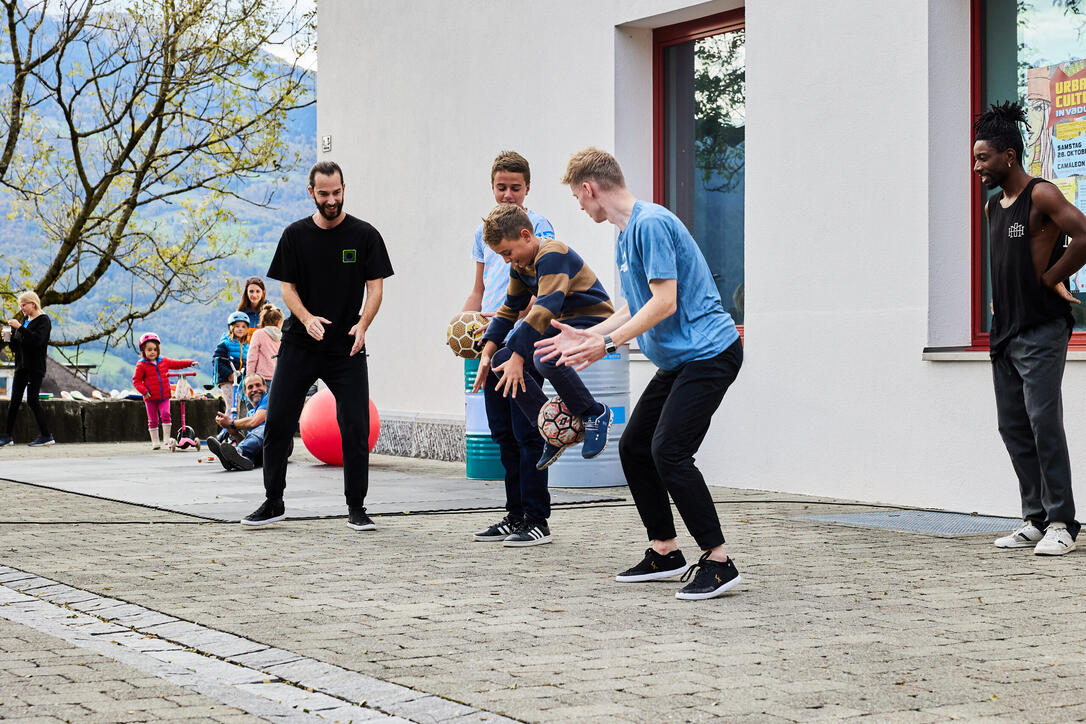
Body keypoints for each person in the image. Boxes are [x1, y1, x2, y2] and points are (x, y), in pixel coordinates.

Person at [536, 148, 743, 600]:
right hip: (679, 361)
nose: (580, 205)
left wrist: (606, 344)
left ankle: (719, 560)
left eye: (577, 197)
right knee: (634, 447)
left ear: (589, 189)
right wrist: (588, 335)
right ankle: (665, 550)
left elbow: (665, 302)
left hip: (710, 354)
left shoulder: (650, 223)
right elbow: (634, 305)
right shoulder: (626, 233)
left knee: (669, 451)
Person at [242, 160, 393, 530]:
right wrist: (307, 318)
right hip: (301, 343)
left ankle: (356, 507)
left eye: (337, 192)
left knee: (355, 425)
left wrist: (363, 324)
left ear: (344, 189)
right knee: (277, 422)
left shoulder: (365, 236)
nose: (331, 200)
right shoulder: (295, 235)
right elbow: (287, 289)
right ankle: (273, 501)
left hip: (346, 346)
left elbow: (375, 287)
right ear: (311, 193)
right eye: (324, 194)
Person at [974, 101, 1086, 556]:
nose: (977, 166)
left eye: (983, 157)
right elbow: (1004, 263)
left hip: (1042, 327)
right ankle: (1035, 519)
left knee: (1043, 421)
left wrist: (1051, 277)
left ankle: (1062, 521)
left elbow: (1083, 235)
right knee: (1013, 425)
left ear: (1009, 157)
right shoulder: (991, 208)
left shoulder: (1041, 195)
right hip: (1006, 331)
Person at [472, 204, 615, 545]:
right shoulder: (521, 266)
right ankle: (552, 428)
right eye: (501, 256)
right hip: (561, 325)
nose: (508, 261)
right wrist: (490, 351)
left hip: (591, 321)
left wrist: (522, 353)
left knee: (544, 356)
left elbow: (547, 304)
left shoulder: (552, 253)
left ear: (525, 235)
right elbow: (509, 309)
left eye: (508, 253)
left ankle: (594, 412)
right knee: (505, 358)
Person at [461, 151, 558, 546]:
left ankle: (538, 519)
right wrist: (466, 327)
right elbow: (480, 289)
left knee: (526, 430)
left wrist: (521, 335)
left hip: (526, 338)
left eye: (515, 188)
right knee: (501, 431)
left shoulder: (539, 228)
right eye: (501, 187)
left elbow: (545, 291)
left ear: (527, 189)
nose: (507, 195)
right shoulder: (483, 233)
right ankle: (514, 514)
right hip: (495, 336)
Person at [0, 291, 54, 447]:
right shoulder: (24, 320)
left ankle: (46, 435)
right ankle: (7, 436)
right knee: (14, 401)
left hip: (35, 367)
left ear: (33, 304)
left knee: (32, 400)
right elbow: (18, 347)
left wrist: (20, 328)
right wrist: (8, 338)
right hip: (21, 367)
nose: (21, 308)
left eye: (24, 305)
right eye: (20, 305)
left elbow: (37, 341)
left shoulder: (44, 321)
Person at [131, 332, 197, 450]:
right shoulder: (141, 365)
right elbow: (136, 380)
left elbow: (177, 364)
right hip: (150, 398)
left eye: (155, 349)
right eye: (149, 350)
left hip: (164, 397)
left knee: (166, 415)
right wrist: (144, 392)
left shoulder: (163, 361)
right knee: (153, 420)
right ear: (143, 351)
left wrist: (189, 362)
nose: (152, 352)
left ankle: (166, 439)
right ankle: (155, 442)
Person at [206, 374, 268, 471]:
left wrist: (231, 423)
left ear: (265, 387)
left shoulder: (269, 398)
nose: (255, 389)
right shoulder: (251, 413)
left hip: (280, 443)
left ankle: (236, 452)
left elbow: (255, 421)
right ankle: (235, 461)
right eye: (250, 387)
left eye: (258, 385)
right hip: (266, 452)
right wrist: (234, 433)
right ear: (245, 393)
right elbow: (252, 440)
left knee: (266, 429)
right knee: (249, 453)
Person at [213, 312, 250, 411]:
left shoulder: (247, 346)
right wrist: (229, 374)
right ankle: (228, 426)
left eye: (243, 326)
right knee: (231, 407)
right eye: (237, 326)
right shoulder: (225, 344)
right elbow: (217, 361)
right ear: (231, 327)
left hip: (240, 381)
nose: (240, 329)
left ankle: (234, 425)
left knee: (238, 408)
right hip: (227, 381)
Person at [247, 303, 283, 386]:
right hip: (278, 377)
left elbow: (252, 357)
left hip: (261, 378)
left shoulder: (259, 334)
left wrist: (249, 376)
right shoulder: (283, 336)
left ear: (263, 320)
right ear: (278, 322)